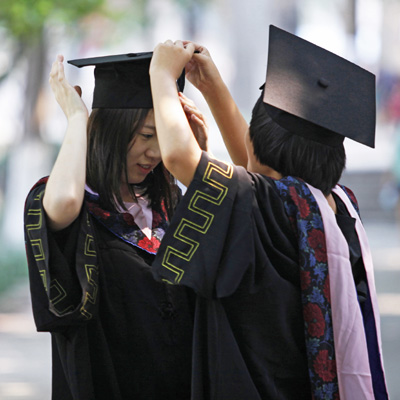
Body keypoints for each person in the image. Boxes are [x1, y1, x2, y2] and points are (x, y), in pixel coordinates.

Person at [149, 26, 390, 399]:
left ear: (255, 141)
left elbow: (181, 157)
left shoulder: (266, 203)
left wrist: (161, 74)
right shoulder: (338, 206)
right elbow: (257, 170)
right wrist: (212, 88)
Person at [23, 52, 207, 400]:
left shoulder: (171, 205)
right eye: (147, 135)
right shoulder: (73, 204)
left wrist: (199, 163)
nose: (156, 152)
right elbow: (65, 202)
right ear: (111, 128)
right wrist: (77, 118)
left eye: (164, 137)